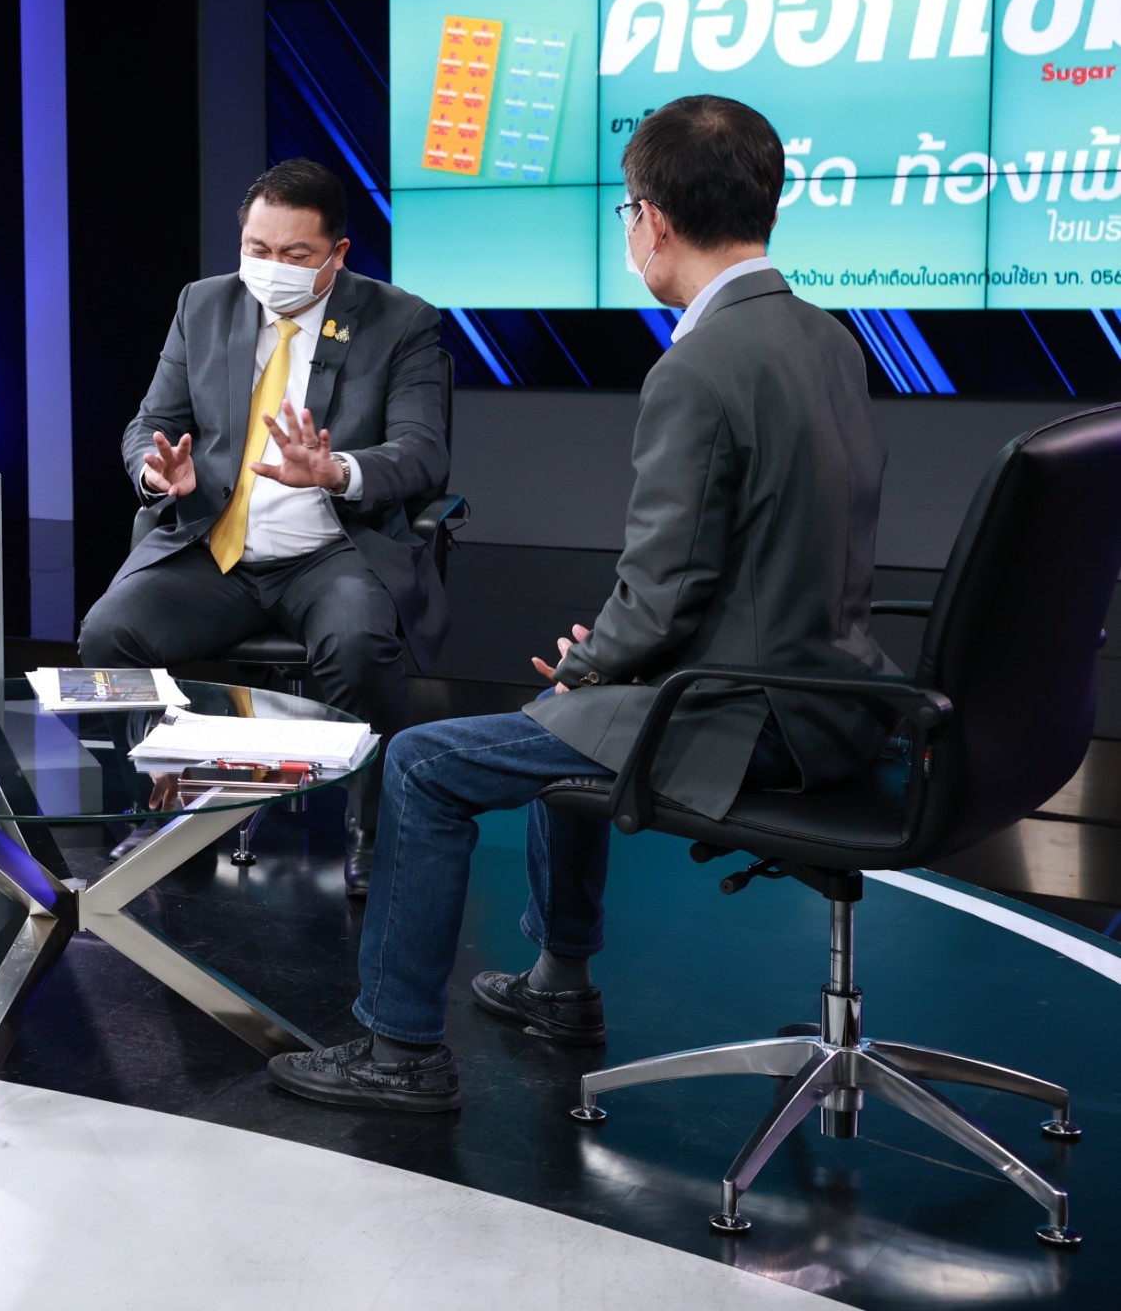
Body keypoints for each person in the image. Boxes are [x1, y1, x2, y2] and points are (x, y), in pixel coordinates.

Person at [267, 95, 893, 1114]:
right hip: (834, 695)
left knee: (426, 762)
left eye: (626, 214)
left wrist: (597, 661)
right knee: (574, 708)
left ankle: (399, 1049)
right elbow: (755, 560)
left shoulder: (700, 365)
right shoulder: (827, 339)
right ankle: (559, 984)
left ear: (652, 220)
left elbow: (664, 587)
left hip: (743, 716)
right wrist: (604, 664)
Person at [78, 158, 451, 894]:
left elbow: (423, 452)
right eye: (258, 249)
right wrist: (158, 471)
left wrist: (335, 469)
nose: (271, 267)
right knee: (108, 635)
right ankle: (162, 807)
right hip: (216, 546)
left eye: (294, 254)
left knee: (357, 644)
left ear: (338, 253)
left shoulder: (401, 320)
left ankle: (371, 828)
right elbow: (150, 423)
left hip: (330, 551)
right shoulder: (203, 304)